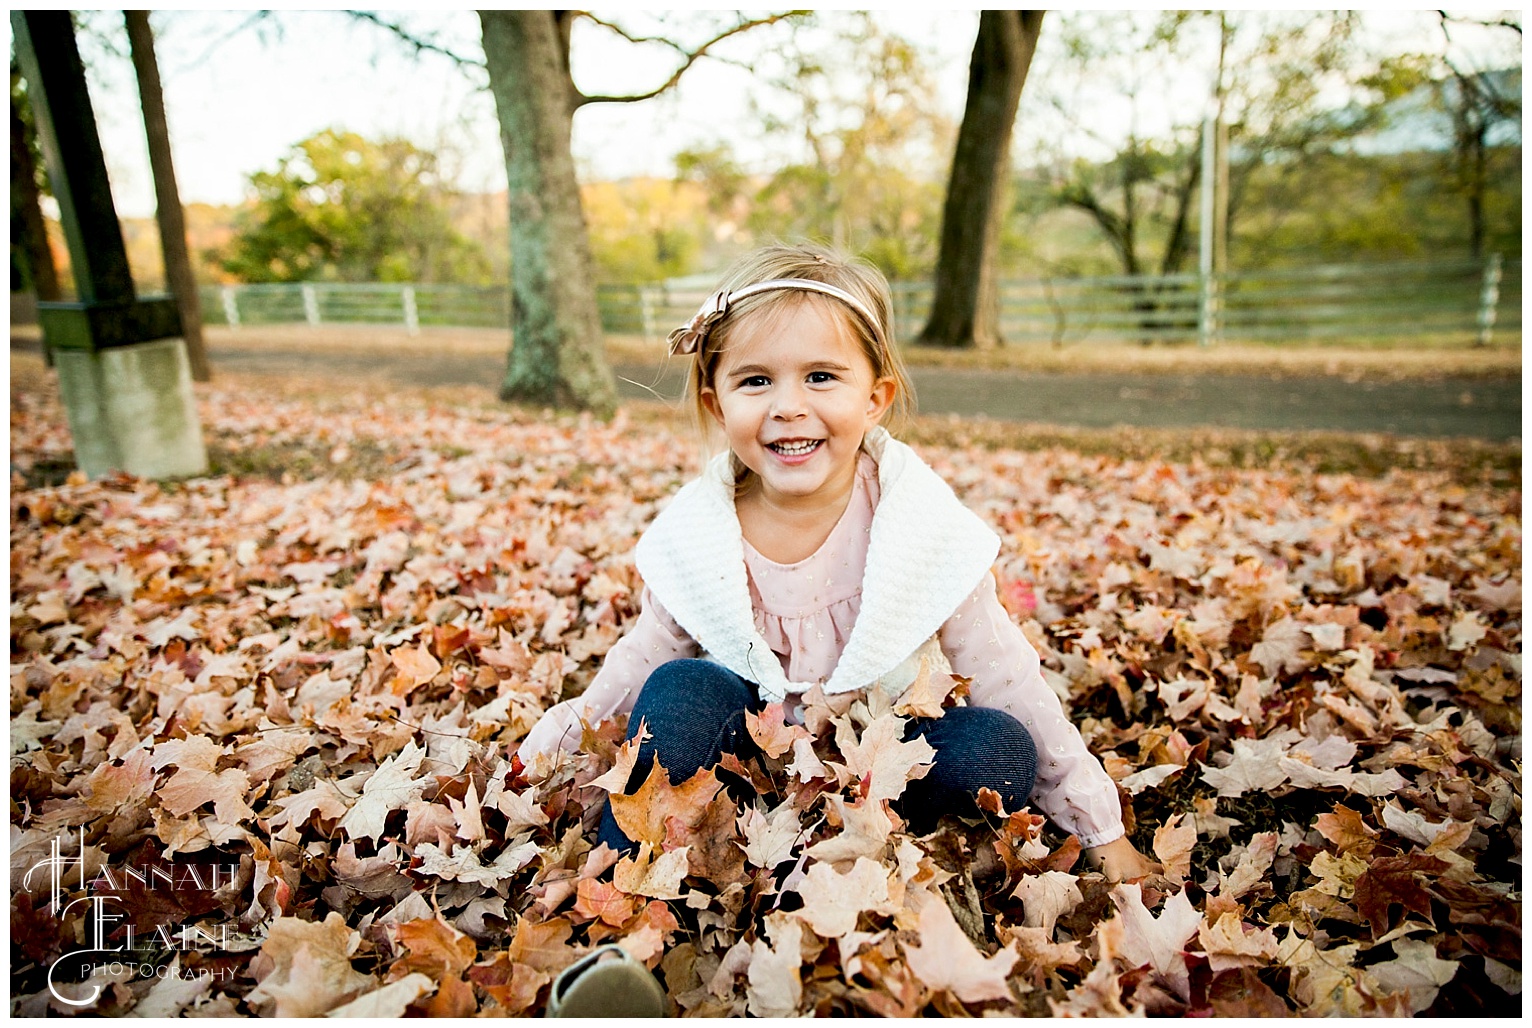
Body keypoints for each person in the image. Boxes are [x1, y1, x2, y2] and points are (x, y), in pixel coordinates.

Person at [519, 242, 1159, 882]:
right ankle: (624, 876)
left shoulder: (916, 524)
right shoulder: (700, 532)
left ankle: (863, 846)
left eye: (821, 376)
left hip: (883, 757)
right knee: (679, 691)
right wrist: (558, 746)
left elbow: (1006, 673)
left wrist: (1101, 829)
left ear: (875, 396)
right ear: (717, 403)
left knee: (998, 746)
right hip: (746, 756)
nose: (788, 405)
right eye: (755, 380)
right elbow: (640, 659)